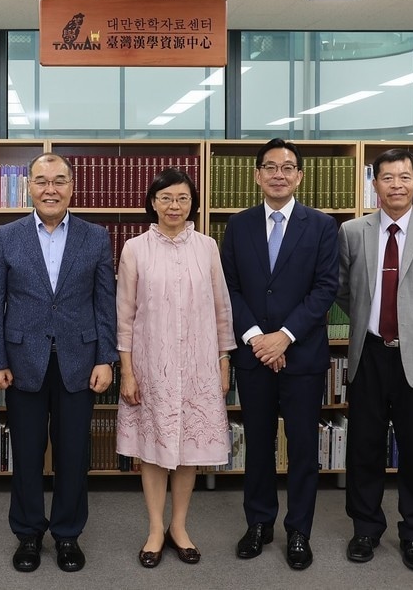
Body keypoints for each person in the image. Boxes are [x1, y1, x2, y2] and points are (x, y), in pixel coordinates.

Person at [0, 152, 118, 574]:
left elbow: (104, 303)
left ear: (72, 187)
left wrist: (106, 358)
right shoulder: (5, 236)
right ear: (29, 187)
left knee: (74, 454)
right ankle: (27, 533)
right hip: (22, 360)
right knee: (25, 452)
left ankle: (67, 535)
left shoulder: (96, 237)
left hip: (80, 360)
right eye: (41, 181)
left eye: (59, 180)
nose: (50, 189)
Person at [336, 148, 413, 572]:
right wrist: (368, 321)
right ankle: (365, 529)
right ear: (375, 184)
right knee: (364, 448)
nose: (396, 185)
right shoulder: (353, 232)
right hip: (369, 353)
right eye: (387, 178)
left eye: (404, 177)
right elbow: (344, 292)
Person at [219, 138, 339, 570]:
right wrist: (256, 338)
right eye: (270, 167)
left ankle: (299, 531)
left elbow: (326, 288)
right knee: (259, 444)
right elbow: (229, 287)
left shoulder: (323, 226)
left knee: (304, 447)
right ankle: (259, 523)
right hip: (254, 356)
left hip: (301, 355)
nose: (278, 174)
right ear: (257, 175)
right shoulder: (239, 224)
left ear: (299, 177)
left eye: (288, 168)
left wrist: (284, 336)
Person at [116, 168, 236, 568]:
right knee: (152, 450)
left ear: (192, 204)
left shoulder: (207, 247)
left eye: (182, 198)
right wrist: (128, 371)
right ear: (152, 202)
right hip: (151, 366)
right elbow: (125, 316)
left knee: (188, 451)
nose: (174, 206)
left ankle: (179, 527)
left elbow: (222, 310)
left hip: (200, 364)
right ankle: (154, 528)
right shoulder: (134, 248)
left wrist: (224, 360)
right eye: (165, 197)